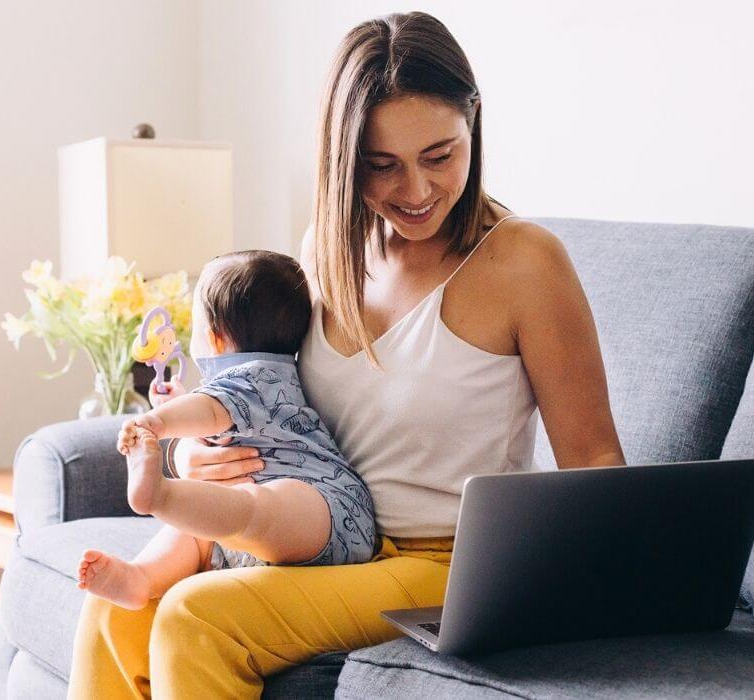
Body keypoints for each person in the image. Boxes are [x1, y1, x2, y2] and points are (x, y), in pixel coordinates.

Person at [68, 11, 625, 698]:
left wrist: (611, 604)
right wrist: (197, 454)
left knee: (195, 617)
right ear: (342, 157)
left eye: (440, 156)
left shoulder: (524, 264)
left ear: (473, 123)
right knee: (113, 611)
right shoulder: (324, 253)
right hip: (323, 532)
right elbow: (265, 399)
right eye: (381, 165)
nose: (416, 192)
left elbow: (596, 459)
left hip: (449, 564)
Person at [74, 250, 377, 611]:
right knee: (198, 525)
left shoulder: (255, 378)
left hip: (328, 511)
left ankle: (162, 494)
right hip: (265, 542)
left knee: (255, 504)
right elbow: (216, 413)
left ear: (214, 339)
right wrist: (178, 405)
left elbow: (210, 409)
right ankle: (141, 577)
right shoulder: (267, 383)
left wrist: (157, 422)